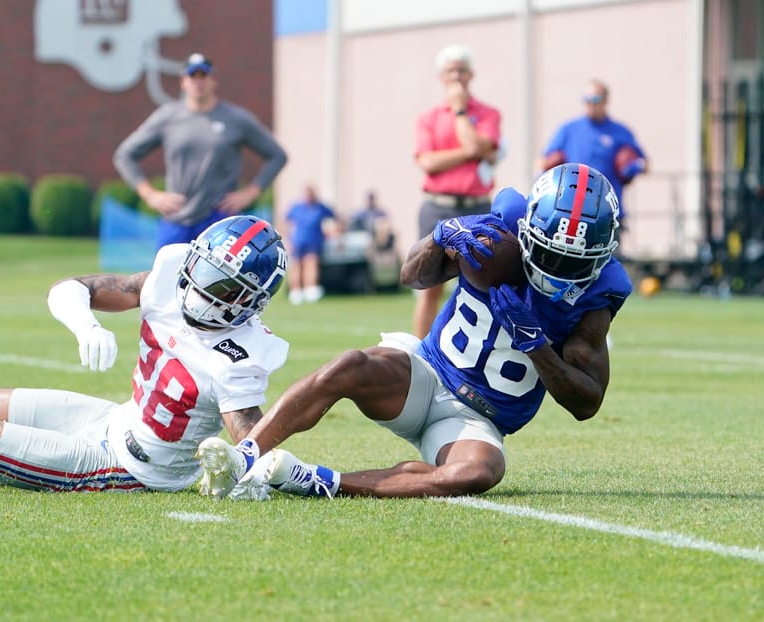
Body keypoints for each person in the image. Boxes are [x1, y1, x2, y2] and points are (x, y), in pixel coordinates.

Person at [196, 163, 632, 499]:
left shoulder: (598, 295)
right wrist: (440, 237)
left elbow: (586, 403)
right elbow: (411, 275)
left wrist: (535, 344)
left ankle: (314, 480)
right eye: (551, 255)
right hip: (426, 372)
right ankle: (245, 455)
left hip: (478, 419)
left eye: (575, 263)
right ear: (529, 227)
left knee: (478, 473)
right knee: (351, 364)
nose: (559, 272)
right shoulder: (500, 235)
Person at [0, 215, 289, 494]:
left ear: (251, 301)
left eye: (223, 286)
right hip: (112, 419)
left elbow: (250, 444)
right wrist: (86, 325)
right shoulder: (167, 277)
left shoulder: (241, 355)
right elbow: (69, 288)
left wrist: (259, 468)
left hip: (133, 467)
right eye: (205, 270)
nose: (202, 289)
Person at [113, 53, 288, 249]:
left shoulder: (236, 119)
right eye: (192, 76)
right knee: (169, 278)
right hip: (177, 217)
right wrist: (149, 194)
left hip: (220, 221)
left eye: (203, 76)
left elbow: (277, 155)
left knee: (218, 279)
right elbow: (125, 155)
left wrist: (251, 192)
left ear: (213, 81)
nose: (198, 82)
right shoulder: (167, 117)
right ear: (183, 82)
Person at [412, 44, 502, 339]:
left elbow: (479, 146)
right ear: (442, 76)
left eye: (462, 70)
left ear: (471, 74)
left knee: (483, 283)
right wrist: (470, 152)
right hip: (439, 206)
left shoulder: (487, 114)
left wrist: (461, 110)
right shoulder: (429, 118)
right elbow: (428, 162)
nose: (457, 76)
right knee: (430, 287)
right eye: (451, 71)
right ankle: (420, 352)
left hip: (476, 207)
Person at [537, 79, 647, 227]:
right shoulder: (569, 129)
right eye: (586, 99)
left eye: (595, 99)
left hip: (606, 212)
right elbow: (542, 162)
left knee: (611, 250)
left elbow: (646, 164)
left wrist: (634, 166)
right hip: (572, 212)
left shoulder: (621, 131)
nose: (590, 103)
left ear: (606, 101)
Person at [284, 184, 337, 305]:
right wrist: (288, 239)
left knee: (311, 265)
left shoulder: (320, 207)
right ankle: (295, 291)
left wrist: (333, 232)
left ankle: (310, 289)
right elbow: (287, 222)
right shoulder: (296, 207)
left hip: (314, 240)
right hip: (298, 240)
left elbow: (334, 218)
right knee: (296, 266)